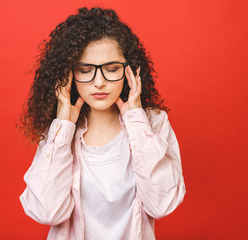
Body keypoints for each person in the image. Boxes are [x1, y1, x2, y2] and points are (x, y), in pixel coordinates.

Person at [19, 7, 186, 240]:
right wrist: (63, 128)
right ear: (68, 75)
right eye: (86, 71)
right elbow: (47, 212)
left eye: (112, 69)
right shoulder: (59, 132)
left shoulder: (153, 124)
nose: (99, 82)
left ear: (130, 71)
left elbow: (162, 205)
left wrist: (136, 120)